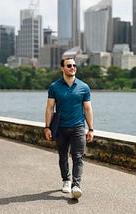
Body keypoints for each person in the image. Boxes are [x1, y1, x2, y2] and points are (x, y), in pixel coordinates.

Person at [44, 57, 94, 199]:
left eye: (74, 65)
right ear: (62, 68)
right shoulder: (54, 87)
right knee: (63, 156)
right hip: (60, 127)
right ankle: (66, 180)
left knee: (78, 157)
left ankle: (76, 185)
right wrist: (47, 127)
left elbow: (88, 109)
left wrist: (91, 129)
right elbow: (49, 108)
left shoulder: (84, 87)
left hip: (78, 127)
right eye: (69, 65)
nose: (73, 67)